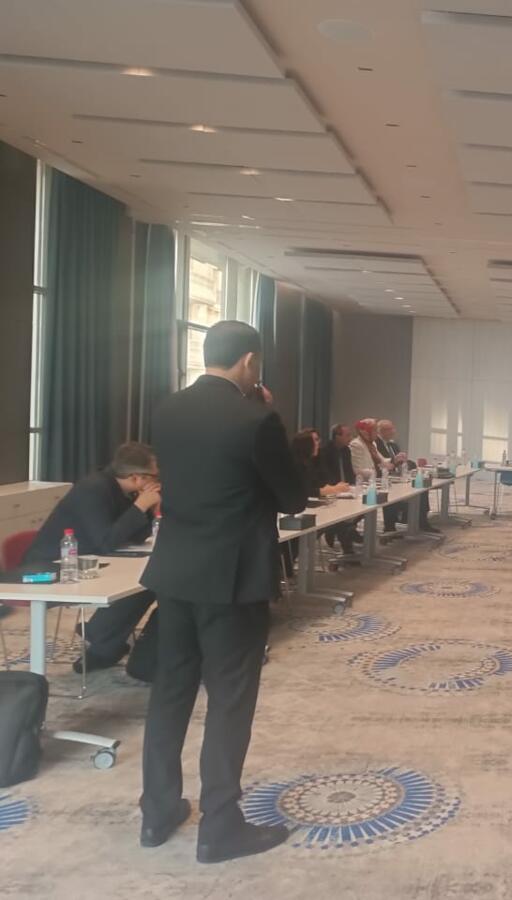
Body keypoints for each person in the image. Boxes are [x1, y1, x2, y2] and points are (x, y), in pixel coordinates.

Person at [139, 320, 306, 863]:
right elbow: (293, 497)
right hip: (232, 579)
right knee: (230, 701)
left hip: (175, 572)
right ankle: (220, 826)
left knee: (170, 693)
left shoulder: (167, 410)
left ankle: (157, 812)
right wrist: (269, 419)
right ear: (250, 362)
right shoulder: (257, 418)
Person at [24, 442, 161, 678]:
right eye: (154, 476)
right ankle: (103, 642)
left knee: (150, 582)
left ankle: (103, 640)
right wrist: (140, 506)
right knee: (145, 583)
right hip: (53, 565)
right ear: (137, 477)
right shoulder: (93, 489)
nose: (158, 482)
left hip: (89, 559)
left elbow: (133, 535)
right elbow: (106, 542)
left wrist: (148, 508)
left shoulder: (121, 490)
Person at [290, 429, 355, 555]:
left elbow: (322, 480)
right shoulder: (296, 464)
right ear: (305, 444)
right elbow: (306, 490)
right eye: (315, 440)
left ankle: (347, 543)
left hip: (309, 505)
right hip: (296, 509)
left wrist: (331, 488)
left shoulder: (313, 460)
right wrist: (332, 489)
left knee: (339, 516)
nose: (318, 443)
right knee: (334, 519)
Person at [374, 420, 436, 534]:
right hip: (384, 478)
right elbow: (382, 464)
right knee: (393, 493)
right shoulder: (376, 445)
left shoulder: (393, 444)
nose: (393, 432)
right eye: (390, 429)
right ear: (382, 431)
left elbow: (400, 462)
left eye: (393, 428)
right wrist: (395, 461)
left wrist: (404, 461)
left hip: (398, 477)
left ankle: (422, 520)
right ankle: (390, 527)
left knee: (422, 488)